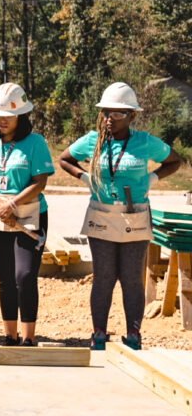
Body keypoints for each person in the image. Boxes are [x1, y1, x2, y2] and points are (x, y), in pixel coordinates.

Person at [59, 82, 182, 350]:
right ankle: (99, 333)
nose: (109, 119)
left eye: (116, 114)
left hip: (134, 215)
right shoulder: (93, 140)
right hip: (102, 215)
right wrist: (83, 177)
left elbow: (175, 161)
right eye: (105, 113)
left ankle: (134, 334)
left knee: (130, 277)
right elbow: (64, 159)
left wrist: (153, 177)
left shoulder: (145, 142)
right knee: (104, 276)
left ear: (132, 116)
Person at [0, 83, 53, 346]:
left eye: (9, 115)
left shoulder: (35, 143)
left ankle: (28, 338)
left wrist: (13, 204)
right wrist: (0, 205)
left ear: (21, 115)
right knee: (5, 278)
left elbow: (40, 182)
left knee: (25, 276)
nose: (3, 120)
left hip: (29, 215)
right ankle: (10, 335)